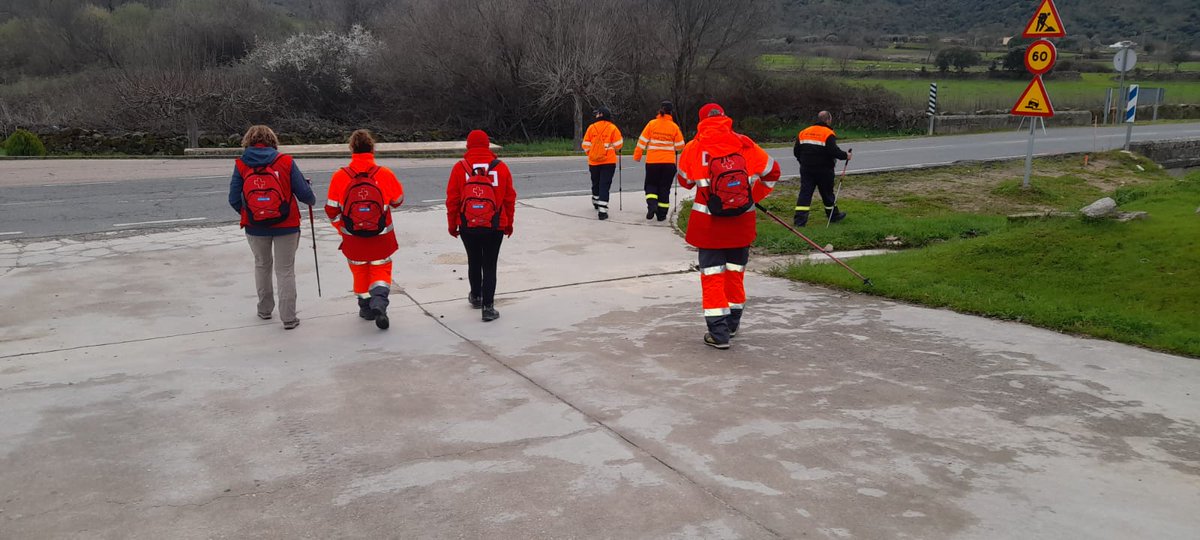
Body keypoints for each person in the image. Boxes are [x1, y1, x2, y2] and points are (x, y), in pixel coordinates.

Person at [676, 103, 780, 350]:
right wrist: (751, 196)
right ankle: (732, 324)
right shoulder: (745, 144)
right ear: (725, 118)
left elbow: (685, 182)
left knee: (712, 278)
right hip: (741, 224)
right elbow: (773, 172)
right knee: (735, 274)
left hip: (709, 226)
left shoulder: (695, 147)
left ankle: (718, 333)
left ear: (701, 121)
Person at [228, 125, 316, 330]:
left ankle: (264, 310)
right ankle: (288, 318)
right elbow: (304, 194)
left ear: (248, 141)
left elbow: (233, 198)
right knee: (285, 270)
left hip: (255, 226)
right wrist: (311, 196)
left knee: (262, 265)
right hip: (286, 224)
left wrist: (250, 214)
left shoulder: (241, 164)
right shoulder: (285, 161)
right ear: (272, 140)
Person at [324, 129, 405, 330]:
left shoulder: (340, 176)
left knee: (359, 270)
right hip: (381, 236)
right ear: (372, 148)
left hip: (353, 238)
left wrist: (341, 228)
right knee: (381, 268)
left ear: (351, 148)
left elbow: (331, 209)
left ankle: (366, 307)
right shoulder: (384, 174)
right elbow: (398, 200)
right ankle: (379, 301)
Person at [445, 130, 517, 322]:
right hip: (495, 225)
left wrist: (453, 224)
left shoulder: (460, 168)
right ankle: (488, 307)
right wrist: (508, 223)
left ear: (468, 146)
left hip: (468, 224)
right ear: (488, 145)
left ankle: (476, 296)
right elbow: (510, 199)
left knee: (474, 260)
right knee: (490, 264)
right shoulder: (501, 168)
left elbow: (452, 200)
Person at [793, 110, 851, 227]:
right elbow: (833, 151)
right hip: (824, 169)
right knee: (827, 193)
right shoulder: (828, 133)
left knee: (805, 193)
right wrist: (846, 155)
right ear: (828, 120)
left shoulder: (804, 132)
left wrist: (802, 162)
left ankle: (800, 221)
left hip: (806, 169)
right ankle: (833, 216)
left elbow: (796, 151)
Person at [632, 100, 686, 221]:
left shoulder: (652, 124)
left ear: (660, 110)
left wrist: (637, 156)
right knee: (664, 188)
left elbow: (642, 142)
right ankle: (661, 215)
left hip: (652, 162)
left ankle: (652, 205)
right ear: (671, 112)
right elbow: (680, 146)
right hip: (669, 163)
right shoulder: (674, 127)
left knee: (651, 185)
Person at [581, 107, 623, 220]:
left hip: (594, 161)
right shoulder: (612, 128)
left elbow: (585, 144)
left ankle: (595, 201)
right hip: (608, 161)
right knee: (605, 185)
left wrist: (591, 154)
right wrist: (612, 149)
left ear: (600, 115)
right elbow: (619, 144)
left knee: (596, 182)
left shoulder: (591, 128)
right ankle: (602, 211)